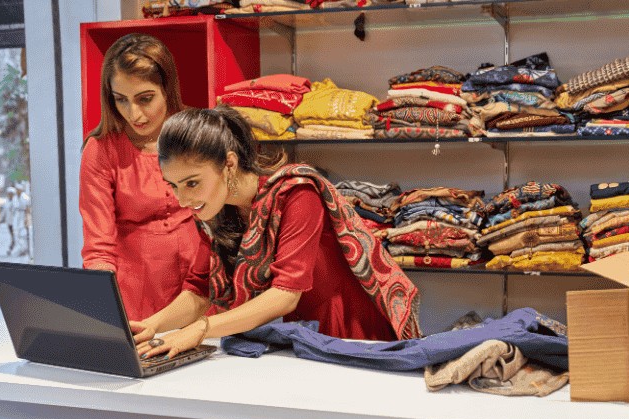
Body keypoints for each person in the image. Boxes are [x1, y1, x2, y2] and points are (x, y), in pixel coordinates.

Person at [131, 106, 421, 359]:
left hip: (349, 331)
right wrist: (151, 326)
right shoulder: (216, 213)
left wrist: (201, 328)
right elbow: (199, 290)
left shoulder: (296, 194)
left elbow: (285, 295)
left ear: (229, 164)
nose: (182, 200)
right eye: (173, 186)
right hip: (298, 334)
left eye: (192, 183)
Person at [79, 33, 208, 321]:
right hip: (136, 296)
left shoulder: (197, 133)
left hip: (202, 285)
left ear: (167, 88)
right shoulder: (101, 150)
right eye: (121, 100)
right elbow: (98, 248)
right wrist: (103, 309)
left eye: (145, 99)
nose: (134, 113)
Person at [0, 186, 16, 255]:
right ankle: (12, 247)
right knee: (13, 236)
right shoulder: (6, 202)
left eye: (11, 193)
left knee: (16, 236)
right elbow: (4, 211)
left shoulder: (16, 201)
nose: (10, 195)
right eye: (9, 193)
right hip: (9, 222)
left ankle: (11, 248)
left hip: (16, 222)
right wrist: (0, 219)